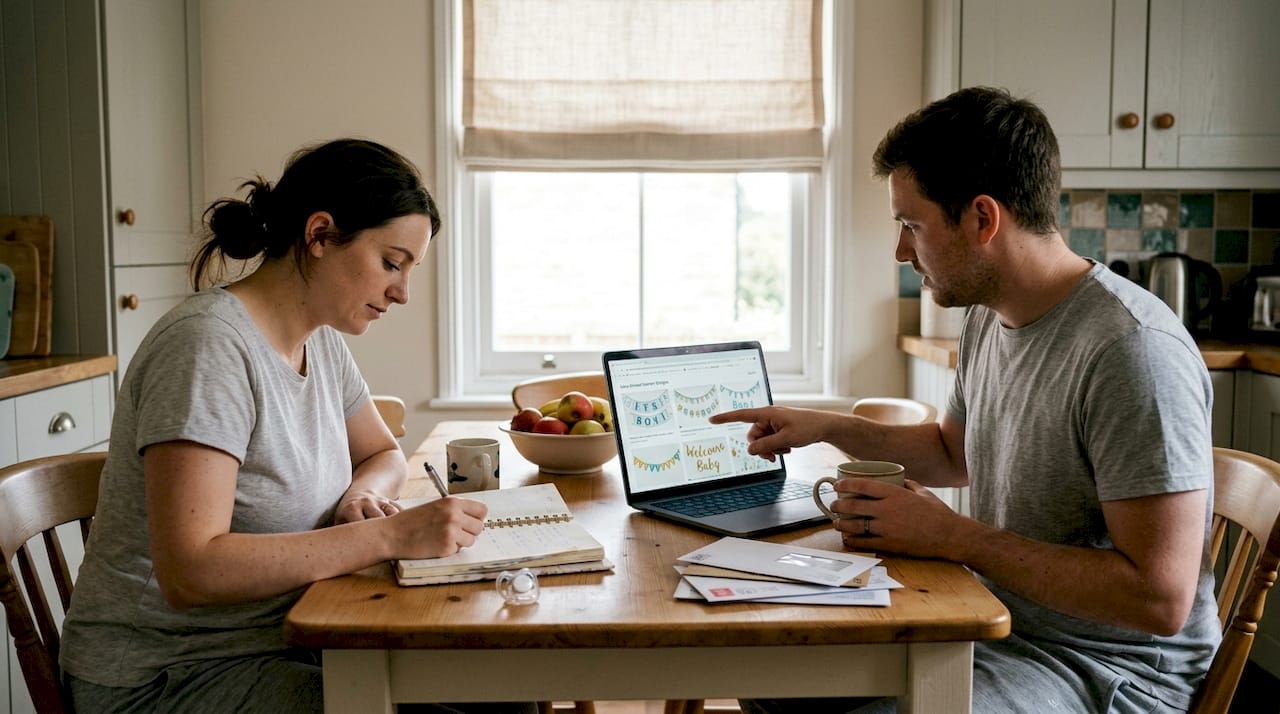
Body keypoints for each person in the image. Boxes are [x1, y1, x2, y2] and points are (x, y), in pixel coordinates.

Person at [711, 87, 1220, 713]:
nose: (901, 251)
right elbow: (953, 453)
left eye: (911, 224)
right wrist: (822, 426)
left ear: (983, 219)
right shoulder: (990, 318)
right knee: (773, 682)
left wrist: (955, 537)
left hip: (1107, 670)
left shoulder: (1132, 351)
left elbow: (1159, 599)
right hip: (995, 618)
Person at [60, 138, 536, 714]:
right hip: (169, 676)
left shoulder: (322, 341)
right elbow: (190, 570)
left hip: (296, 635)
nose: (403, 293)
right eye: (391, 262)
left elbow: (382, 454)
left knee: (506, 694)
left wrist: (362, 498)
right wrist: (385, 536)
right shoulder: (207, 348)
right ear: (319, 235)